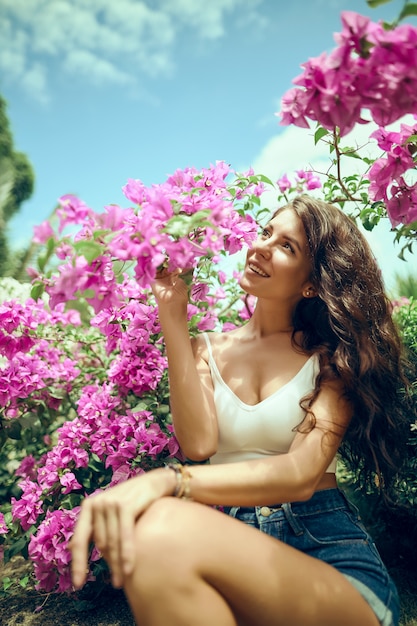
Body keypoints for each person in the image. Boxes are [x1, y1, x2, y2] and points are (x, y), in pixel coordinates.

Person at [70, 195, 409, 626]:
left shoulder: (332, 357)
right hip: (234, 554)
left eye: (287, 247)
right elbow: (199, 443)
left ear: (311, 283)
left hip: (328, 556)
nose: (262, 247)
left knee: (160, 526)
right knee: (156, 539)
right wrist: (172, 315)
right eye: (266, 232)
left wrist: (168, 481)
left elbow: (301, 474)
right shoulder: (207, 349)